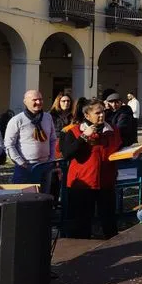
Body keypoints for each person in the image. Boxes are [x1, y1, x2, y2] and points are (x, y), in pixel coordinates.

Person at [59, 99, 122, 238]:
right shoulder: (73, 131)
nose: (101, 116)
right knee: (80, 224)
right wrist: (83, 137)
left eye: (103, 112)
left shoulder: (113, 130)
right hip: (83, 184)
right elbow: (67, 153)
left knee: (109, 222)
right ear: (87, 115)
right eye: (97, 113)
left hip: (106, 182)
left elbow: (118, 148)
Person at [4, 90, 57, 184]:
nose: (38, 102)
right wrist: (21, 162)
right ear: (25, 102)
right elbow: (9, 144)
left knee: (44, 196)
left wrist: (52, 159)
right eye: (35, 100)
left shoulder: (48, 117)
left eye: (40, 99)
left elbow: (52, 140)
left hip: (46, 165)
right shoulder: (17, 120)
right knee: (24, 197)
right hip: (25, 168)